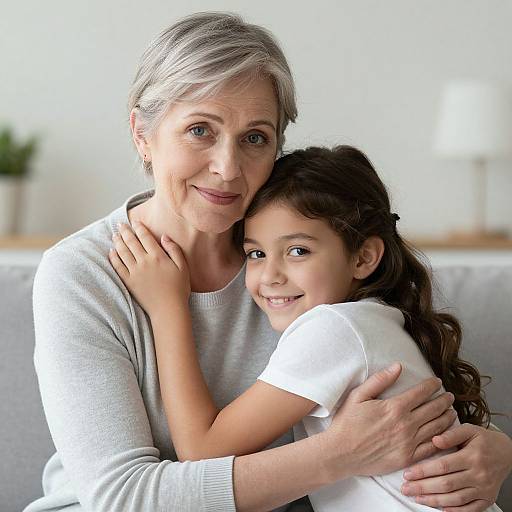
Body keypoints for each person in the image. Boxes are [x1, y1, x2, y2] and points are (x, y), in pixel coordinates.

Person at [26, 12, 512, 512]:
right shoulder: (82, 273)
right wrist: (338, 455)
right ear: (141, 133)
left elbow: (390, 370)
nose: (227, 167)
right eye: (199, 130)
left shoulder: (294, 259)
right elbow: (121, 497)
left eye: (255, 137)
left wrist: (492, 448)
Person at [109, 144, 502, 511]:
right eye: (256, 254)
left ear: (364, 257)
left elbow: (203, 449)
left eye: (298, 251)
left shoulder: (332, 329)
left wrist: (167, 309)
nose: (270, 275)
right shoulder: (372, 321)